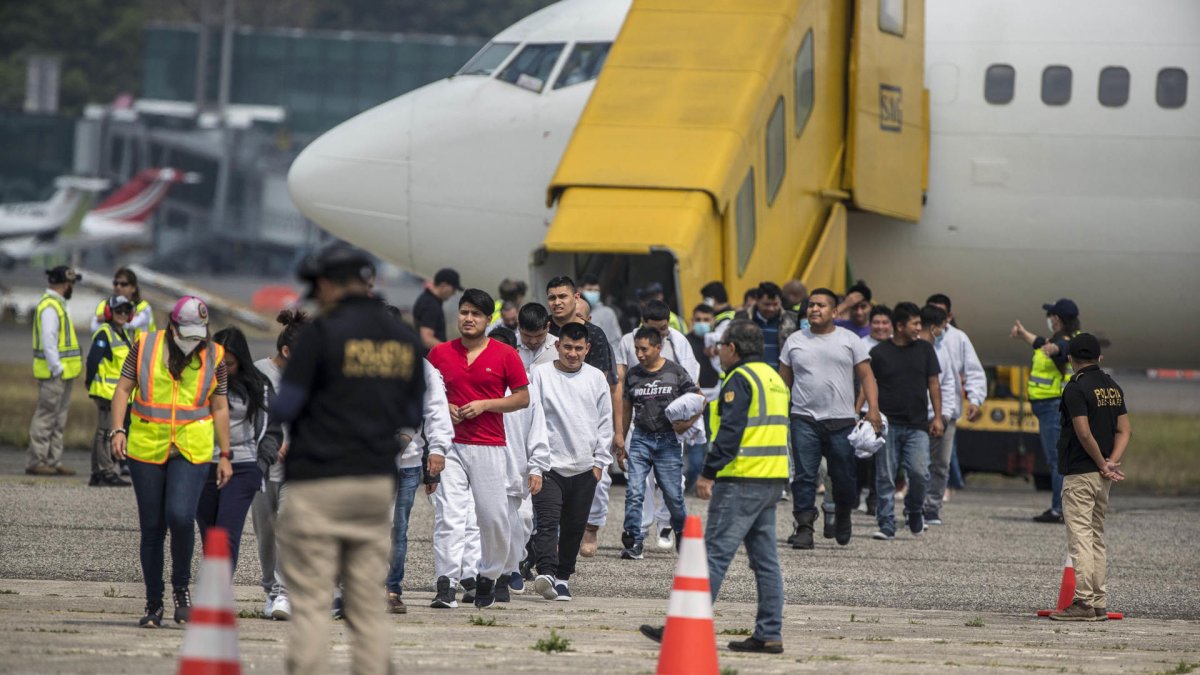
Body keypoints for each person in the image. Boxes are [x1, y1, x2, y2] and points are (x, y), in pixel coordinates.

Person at [270, 245, 424, 674]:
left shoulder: (321, 334)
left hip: (319, 481)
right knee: (367, 602)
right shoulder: (404, 338)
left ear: (326, 285)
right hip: (374, 484)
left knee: (314, 600)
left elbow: (285, 406)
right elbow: (412, 415)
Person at [640, 319, 790, 654]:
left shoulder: (740, 378)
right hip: (771, 478)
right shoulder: (774, 379)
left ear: (733, 348)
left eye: (721, 345)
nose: (717, 351)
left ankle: (680, 629)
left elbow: (732, 431)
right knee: (766, 562)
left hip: (741, 479)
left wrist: (707, 472)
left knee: (712, 556)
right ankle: (769, 632)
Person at [109, 295, 232, 627]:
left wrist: (225, 454)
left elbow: (220, 407)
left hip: (192, 448)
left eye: (198, 333)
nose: (193, 340)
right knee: (152, 527)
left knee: (180, 516)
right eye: (187, 332)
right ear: (173, 326)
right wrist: (117, 429)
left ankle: (181, 589)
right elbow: (122, 390)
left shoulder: (214, 356)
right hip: (147, 446)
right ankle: (153, 603)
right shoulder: (144, 346)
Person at [426, 288, 530, 610]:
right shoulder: (440, 354)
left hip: (488, 445)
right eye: (464, 312)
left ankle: (488, 575)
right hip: (450, 445)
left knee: (493, 516)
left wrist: (486, 405)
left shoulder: (504, 354)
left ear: (488, 319)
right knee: (451, 516)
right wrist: (448, 406)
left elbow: (522, 397)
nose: (468, 319)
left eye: (475, 314)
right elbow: (427, 396)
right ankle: (446, 583)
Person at [779, 289, 881, 548]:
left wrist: (873, 409)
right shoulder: (794, 341)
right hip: (803, 418)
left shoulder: (850, 340)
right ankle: (804, 527)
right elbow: (783, 383)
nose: (814, 309)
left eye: (821, 306)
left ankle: (843, 514)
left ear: (834, 312)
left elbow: (867, 377)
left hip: (841, 421)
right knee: (804, 476)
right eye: (811, 305)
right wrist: (781, 414)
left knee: (843, 475)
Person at [528, 323, 613, 600]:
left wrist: (600, 464)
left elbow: (604, 422)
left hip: (585, 467)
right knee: (548, 522)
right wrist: (535, 463)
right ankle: (546, 572)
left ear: (587, 349)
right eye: (567, 347)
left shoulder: (596, 377)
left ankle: (563, 578)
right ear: (557, 346)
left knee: (575, 526)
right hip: (549, 465)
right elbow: (532, 418)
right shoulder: (540, 374)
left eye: (578, 348)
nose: (572, 353)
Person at [1049, 334, 1131, 622]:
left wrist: (1100, 462)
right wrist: (1110, 462)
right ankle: (1099, 601)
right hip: (1101, 477)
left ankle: (1083, 602)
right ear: (1100, 358)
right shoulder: (1113, 387)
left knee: (1080, 536)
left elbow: (1083, 433)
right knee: (1096, 536)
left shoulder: (1076, 388)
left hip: (1081, 473)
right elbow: (1124, 430)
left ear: (1070, 359)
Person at [197, 327, 282, 571]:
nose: (223, 370)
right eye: (218, 364)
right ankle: (212, 590)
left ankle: (219, 594)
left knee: (226, 532)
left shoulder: (259, 386)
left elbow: (273, 431)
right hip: (203, 464)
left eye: (230, 364)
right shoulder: (198, 382)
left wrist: (260, 466)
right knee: (209, 534)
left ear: (241, 362)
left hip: (242, 465)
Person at [616, 327, 701, 559]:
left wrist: (687, 423)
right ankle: (634, 540)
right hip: (641, 439)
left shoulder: (675, 372)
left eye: (644, 349)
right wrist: (621, 440)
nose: (640, 354)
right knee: (634, 491)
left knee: (673, 494)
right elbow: (626, 409)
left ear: (658, 347)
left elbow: (700, 399)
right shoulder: (633, 375)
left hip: (667, 441)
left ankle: (682, 534)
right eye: (636, 349)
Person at [867, 301, 942, 540]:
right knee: (885, 476)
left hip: (917, 424)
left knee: (920, 473)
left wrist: (938, 417)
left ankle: (913, 509)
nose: (919, 328)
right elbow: (869, 384)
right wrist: (869, 410)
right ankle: (887, 522)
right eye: (915, 323)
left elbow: (933, 384)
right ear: (899, 326)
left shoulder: (925, 350)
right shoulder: (879, 353)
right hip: (887, 424)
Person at [388, 346, 454, 615]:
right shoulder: (357, 358)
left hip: (407, 464)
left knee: (397, 530)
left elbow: (436, 412)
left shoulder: (423, 369)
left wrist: (436, 452)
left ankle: (392, 589)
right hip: (363, 460)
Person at [251, 309, 309, 621]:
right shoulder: (259, 373)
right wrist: (270, 445)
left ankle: (285, 594)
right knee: (265, 534)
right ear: (286, 351)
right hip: (263, 468)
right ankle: (270, 590)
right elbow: (250, 419)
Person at [1011, 298, 1082, 523]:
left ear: (1057, 319)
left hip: (1053, 408)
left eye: (1051, 315)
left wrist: (1056, 348)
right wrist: (1024, 334)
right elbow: (1042, 343)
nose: (1048, 319)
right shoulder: (1059, 339)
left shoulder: (1068, 342)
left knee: (1057, 461)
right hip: (1049, 408)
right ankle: (1062, 508)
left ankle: (1059, 510)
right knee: (1059, 459)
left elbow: (1064, 348)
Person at [923, 294, 987, 525]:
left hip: (946, 413)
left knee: (941, 463)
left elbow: (973, 371)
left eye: (941, 314)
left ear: (949, 316)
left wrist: (975, 400)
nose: (936, 318)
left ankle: (931, 507)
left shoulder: (958, 339)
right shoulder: (916, 339)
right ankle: (915, 504)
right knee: (917, 463)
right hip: (917, 414)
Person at [27, 266, 84, 477]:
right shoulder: (51, 306)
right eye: (71, 284)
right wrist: (57, 368)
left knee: (58, 419)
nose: (72, 288)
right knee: (46, 418)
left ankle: (52, 460)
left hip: (62, 373)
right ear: (64, 283)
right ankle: (37, 460)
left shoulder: (58, 305)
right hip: (54, 374)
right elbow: (49, 340)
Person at [84, 295, 135, 487]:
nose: (122, 314)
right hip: (106, 392)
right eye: (118, 310)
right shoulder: (104, 333)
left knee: (103, 431)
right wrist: (90, 382)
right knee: (105, 433)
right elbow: (92, 360)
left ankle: (98, 473)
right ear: (109, 313)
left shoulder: (123, 334)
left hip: (116, 393)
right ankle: (105, 471)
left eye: (125, 311)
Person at [685, 303, 721, 492]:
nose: (702, 323)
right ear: (691, 320)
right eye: (698, 320)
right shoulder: (685, 342)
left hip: (716, 400)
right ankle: (692, 483)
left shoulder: (719, 343)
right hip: (693, 401)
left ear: (713, 321)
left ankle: (708, 483)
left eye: (706, 320)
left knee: (712, 443)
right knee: (695, 446)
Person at [734, 282, 799, 369]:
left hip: (780, 379)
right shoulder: (741, 319)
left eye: (775, 304)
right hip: (750, 375)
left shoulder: (792, 321)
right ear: (757, 301)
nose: (771, 309)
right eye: (767, 304)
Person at [91, 266, 156, 341]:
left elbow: (132, 324)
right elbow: (94, 327)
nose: (118, 287)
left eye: (123, 284)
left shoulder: (144, 307)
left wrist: (108, 317)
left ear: (133, 288)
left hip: (141, 351)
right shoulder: (104, 304)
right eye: (116, 283)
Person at [412, 267, 463, 349]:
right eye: (453, 289)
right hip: (429, 357)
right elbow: (426, 339)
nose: (453, 293)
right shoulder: (430, 304)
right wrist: (449, 351)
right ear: (444, 285)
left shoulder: (428, 300)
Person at [579, 273, 623, 349]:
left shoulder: (608, 313)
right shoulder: (574, 311)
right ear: (579, 290)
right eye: (589, 290)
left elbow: (616, 340)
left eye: (596, 290)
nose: (593, 293)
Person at [516, 302, 558, 371]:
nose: (533, 342)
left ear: (548, 326)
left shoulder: (559, 348)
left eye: (539, 335)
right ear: (518, 326)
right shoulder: (508, 346)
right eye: (527, 335)